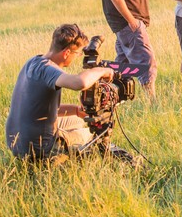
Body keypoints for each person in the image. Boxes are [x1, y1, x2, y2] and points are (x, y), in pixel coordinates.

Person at [6, 23, 115, 162]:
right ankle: (56, 158)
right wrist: (101, 71)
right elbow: (79, 83)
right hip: (38, 148)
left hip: (15, 142)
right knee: (90, 133)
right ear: (66, 53)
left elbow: (40, 109)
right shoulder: (48, 69)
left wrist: (76, 110)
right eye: (78, 53)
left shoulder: (33, 62)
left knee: (79, 119)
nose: (78, 57)